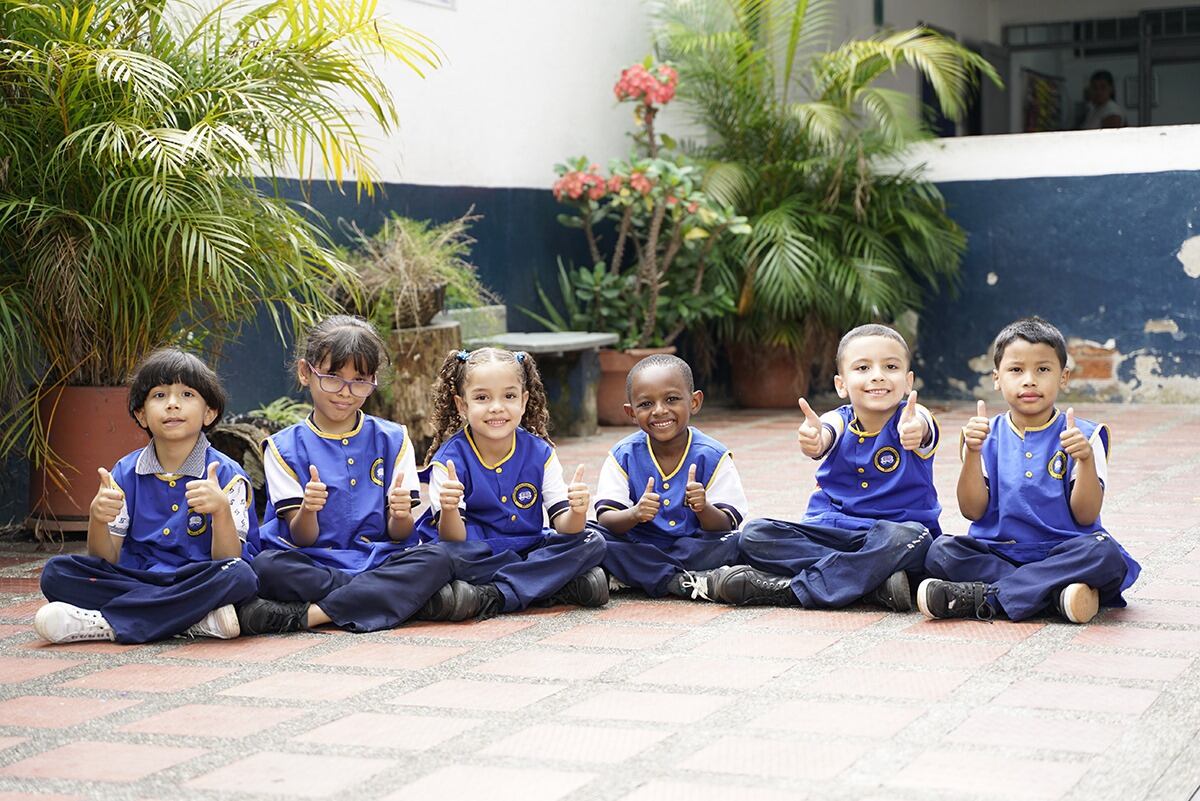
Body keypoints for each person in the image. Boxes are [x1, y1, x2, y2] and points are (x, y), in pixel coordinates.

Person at [238, 315, 453, 634]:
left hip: (378, 557)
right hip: (314, 561)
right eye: (332, 376)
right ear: (305, 372)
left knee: (439, 559)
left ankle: (309, 616)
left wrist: (401, 514)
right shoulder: (283, 448)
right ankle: (395, 596)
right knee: (267, 568)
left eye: (360, 379)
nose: (345, 391)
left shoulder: (393, 439)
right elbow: (301, 538)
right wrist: (309, 509)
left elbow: (399, 533)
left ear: (373, 380)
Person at [918, 317, 1139, 624]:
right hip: (1000, 552)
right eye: (1016, 370)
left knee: (1105, 555)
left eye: (1043, 370)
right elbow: (972, 511)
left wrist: (1085, 461)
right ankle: (1054, 596)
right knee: (940, 551)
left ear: (1063, 377)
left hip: (1065, 552)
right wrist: (972, 452)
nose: (1029, 380)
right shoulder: (985, 435)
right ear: (997, 377)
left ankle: (988, 597)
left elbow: (1086, 516)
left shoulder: (1084, 436)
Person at [708, 324, 939, 611]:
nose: (877, 375)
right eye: (863, 368)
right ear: (841, 384)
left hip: (893, 535)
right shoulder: (838, 419)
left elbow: (924, 427)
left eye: (890, 366)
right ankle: (874, 585)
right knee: (754, 535)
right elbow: (827, 431)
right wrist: (815, 439)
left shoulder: (913, 416)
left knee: (916, 539)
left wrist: (916, 430)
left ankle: (791, 591)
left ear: (908, 381)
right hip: (833, 533)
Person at [35, 349, 259, 643]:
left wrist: (220, 512)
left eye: (187, 395)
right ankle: (192, 618)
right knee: (56, 573)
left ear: (210, 412)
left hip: (199, 578)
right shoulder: (124, 473)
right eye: (159, 395)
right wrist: (98, 519)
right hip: (138, 578)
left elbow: (228, 558)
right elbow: (105, 558)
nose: (173, 405)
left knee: (240, 575)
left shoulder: (227, 474)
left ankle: (107, 622)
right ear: (141, 414)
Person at [413, 347, 607, 620]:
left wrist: (576, 512)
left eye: (509, 396)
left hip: (527, 547)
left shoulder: (541, 453)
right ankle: (553, 587)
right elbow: (452, 538)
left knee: (592, 540)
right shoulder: (449, 461)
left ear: (524, 401)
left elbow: (565, 527)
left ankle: (491, 596)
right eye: (482, 397)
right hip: (475, 553)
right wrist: (449, 509)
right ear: (462, 405)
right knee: (440, 559)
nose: (496, 407)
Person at [593, 354, 749, 599]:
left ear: (695, 402)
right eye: (645, 404)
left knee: (740, 541)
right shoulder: (622, 455)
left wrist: (703, 507)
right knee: (589, 537)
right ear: (631, 412)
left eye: (672, 399)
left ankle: (636, 576)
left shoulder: (714, 456)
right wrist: (634, 513)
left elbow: (726, 524)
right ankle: (682, 580)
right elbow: (606, 519)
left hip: (694, 547)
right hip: (640, 546)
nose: (659, 411)